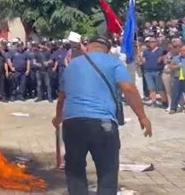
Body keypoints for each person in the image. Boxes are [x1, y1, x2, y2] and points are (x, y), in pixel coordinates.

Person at [52, 36, 152, 195]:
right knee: (107, 170)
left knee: (75, 169)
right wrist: (142, 117)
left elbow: (63, 96)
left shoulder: (72, 65)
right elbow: (128, 88)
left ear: (88, 47)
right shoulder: (113, 62)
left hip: (72, 123)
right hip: (103, 123)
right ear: (108, 49)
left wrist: (58, 118)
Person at [142, 38, 168, 107]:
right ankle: (153, 101)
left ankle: (164, 102)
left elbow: (166, 58)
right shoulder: (146, 51)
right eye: (149, 42)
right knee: (151, 88)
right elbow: (143, 62)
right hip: (148, 72)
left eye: (153, 42)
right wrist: (141, 58)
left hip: (158, 71)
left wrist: (162, 58)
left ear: (156, 42)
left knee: (160, 88)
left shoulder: (161, 50)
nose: (151, 43)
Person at [168, 45, 185, 114]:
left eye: (184, 50)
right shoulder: (176, 58)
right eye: (181, 50)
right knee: (175, 94)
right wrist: (176, 66)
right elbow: (170, 66)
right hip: (177, 79)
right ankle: (173, 108)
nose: (182, 52)